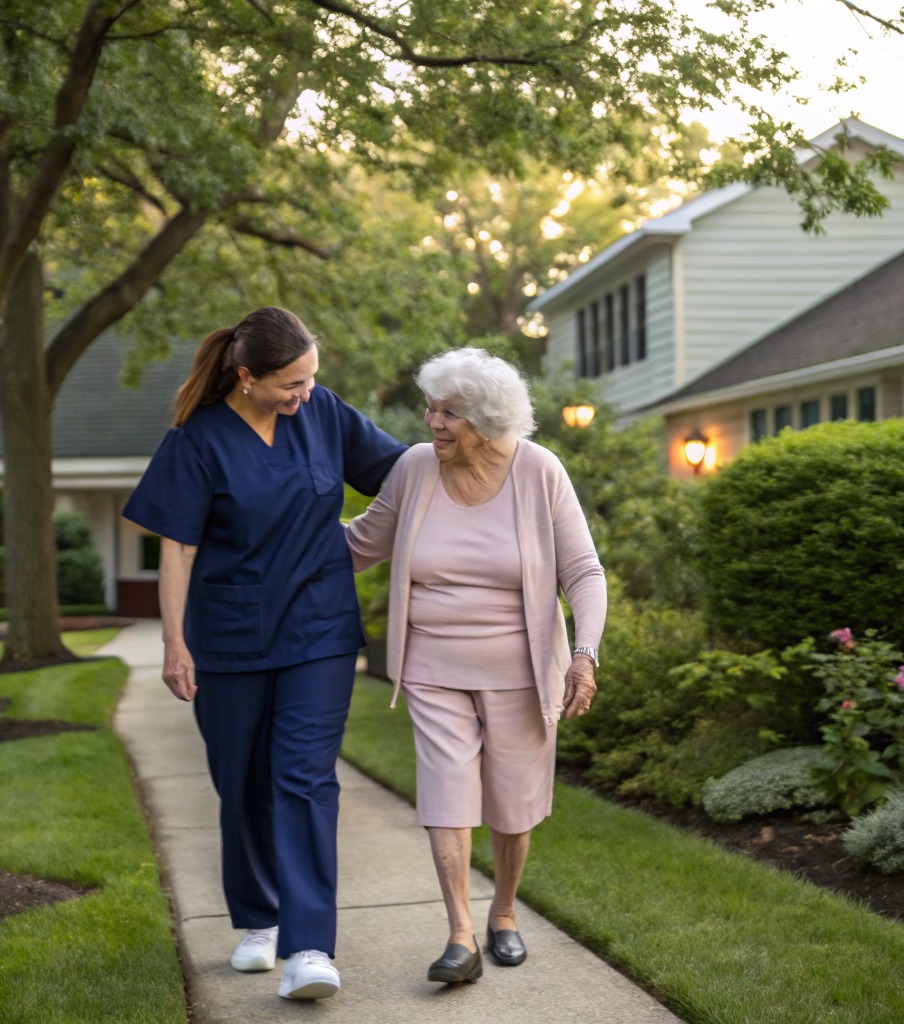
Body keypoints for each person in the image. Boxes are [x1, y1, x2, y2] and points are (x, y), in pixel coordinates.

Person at [122, 307, 406, 1001]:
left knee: (304, 779)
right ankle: (259, 920)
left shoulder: (324, 412)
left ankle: (309, 947)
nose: (304, 393)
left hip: (318, 629)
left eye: (310, 378)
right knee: (242, 780)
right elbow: (177, 549)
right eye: (291, 383)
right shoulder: (196, 441)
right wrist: (174, 642)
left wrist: (478, 446)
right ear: (246, 376)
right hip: (229, 635)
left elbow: (404, 472)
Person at [344, 347, 605, 985]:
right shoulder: (414, 468)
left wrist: (584, 656)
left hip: (522, 669)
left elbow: (583, 572)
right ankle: (460, 935)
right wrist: (277, 526)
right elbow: (359, 545)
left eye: (450, 414)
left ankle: (504, 913)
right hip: (432, 665)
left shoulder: (539, 471)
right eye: (431, 408)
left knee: (514, 802)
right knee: (446, 793)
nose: (433, 422)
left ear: (488, 422)